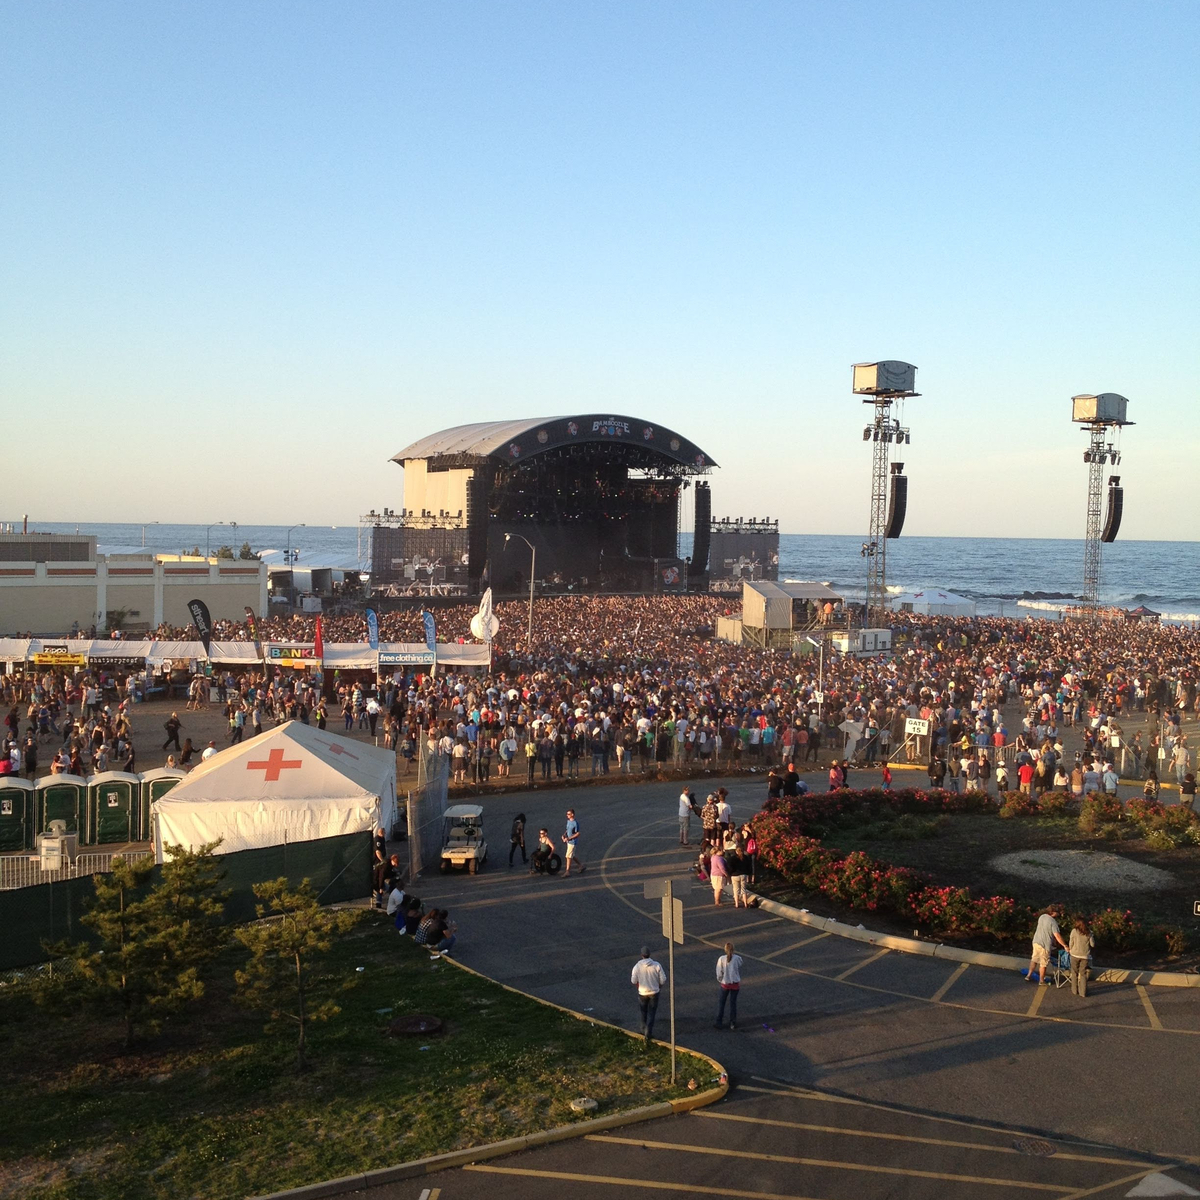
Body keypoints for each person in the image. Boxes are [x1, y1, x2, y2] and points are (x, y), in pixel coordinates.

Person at [630, 945, 667, 1047]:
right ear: (649, 954)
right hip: (654, 992)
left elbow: (633, 980)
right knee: (652, 1013)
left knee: (643, 1011)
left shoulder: (637, 967)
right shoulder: (656, 965)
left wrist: (639, 986)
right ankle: (649, 1032)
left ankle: (642, 1029)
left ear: (642, 955)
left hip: (642, 993)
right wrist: (658, 986)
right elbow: (663, 979)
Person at [1027, 911, 1069, 985]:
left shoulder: (1042, 916)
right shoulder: (1053, 922)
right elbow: (1057, 936)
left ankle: (1028, 975)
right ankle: (1041, 980)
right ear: (1054, 912)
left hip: (1036, 941)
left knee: (1034, 959)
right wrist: (1065, 945)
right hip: (1045, 945)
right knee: (1043, 963)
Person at [714, 942, 743, 1030]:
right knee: (733, 1003)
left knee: (721, 1003)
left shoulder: (721, 959)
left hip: (725, 984)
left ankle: (719, 1022)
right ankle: (732, 1023)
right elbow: (740, 964)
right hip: (735, 984)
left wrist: (721, 980)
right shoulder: (737, 958)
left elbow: (719, 972)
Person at [1069, 918, 1094, 997]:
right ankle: (1083, 992)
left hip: (1074, 954)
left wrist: (1070, 949)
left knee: (1074, 972)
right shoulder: (1089, 932)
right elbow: (1093, 944)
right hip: (1085, 956)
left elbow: (1071, 943)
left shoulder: (1074, 931)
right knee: (1083, 974)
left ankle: (1074, 990)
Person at [561, 808, 586, 876]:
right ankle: (581, 865)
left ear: (572, 814)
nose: (567, 815)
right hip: (569, 841)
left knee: (568, 856)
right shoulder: (568, 821)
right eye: (567, 814)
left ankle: (567, 871)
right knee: (572, 855)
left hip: (572, 842)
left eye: (568, 814)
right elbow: (567, 829)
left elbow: (578, 833)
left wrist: (569, 838)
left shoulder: (575, 823)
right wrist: (564, 835)